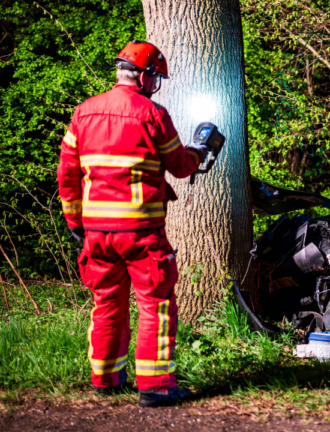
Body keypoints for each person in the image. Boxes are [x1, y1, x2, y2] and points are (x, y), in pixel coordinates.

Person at [57, 40, 210, 407]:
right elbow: (180, 165)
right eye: (156, 78)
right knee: (156, 304)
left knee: (106, 302)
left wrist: (76, 222)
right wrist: (199, 151)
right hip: (142, 234)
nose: (157, 85)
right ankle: (157, 387)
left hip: (97, 235)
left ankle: (106, 377)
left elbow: (67, 174)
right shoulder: (153, 114)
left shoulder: (84, 112)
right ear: (145, 76)